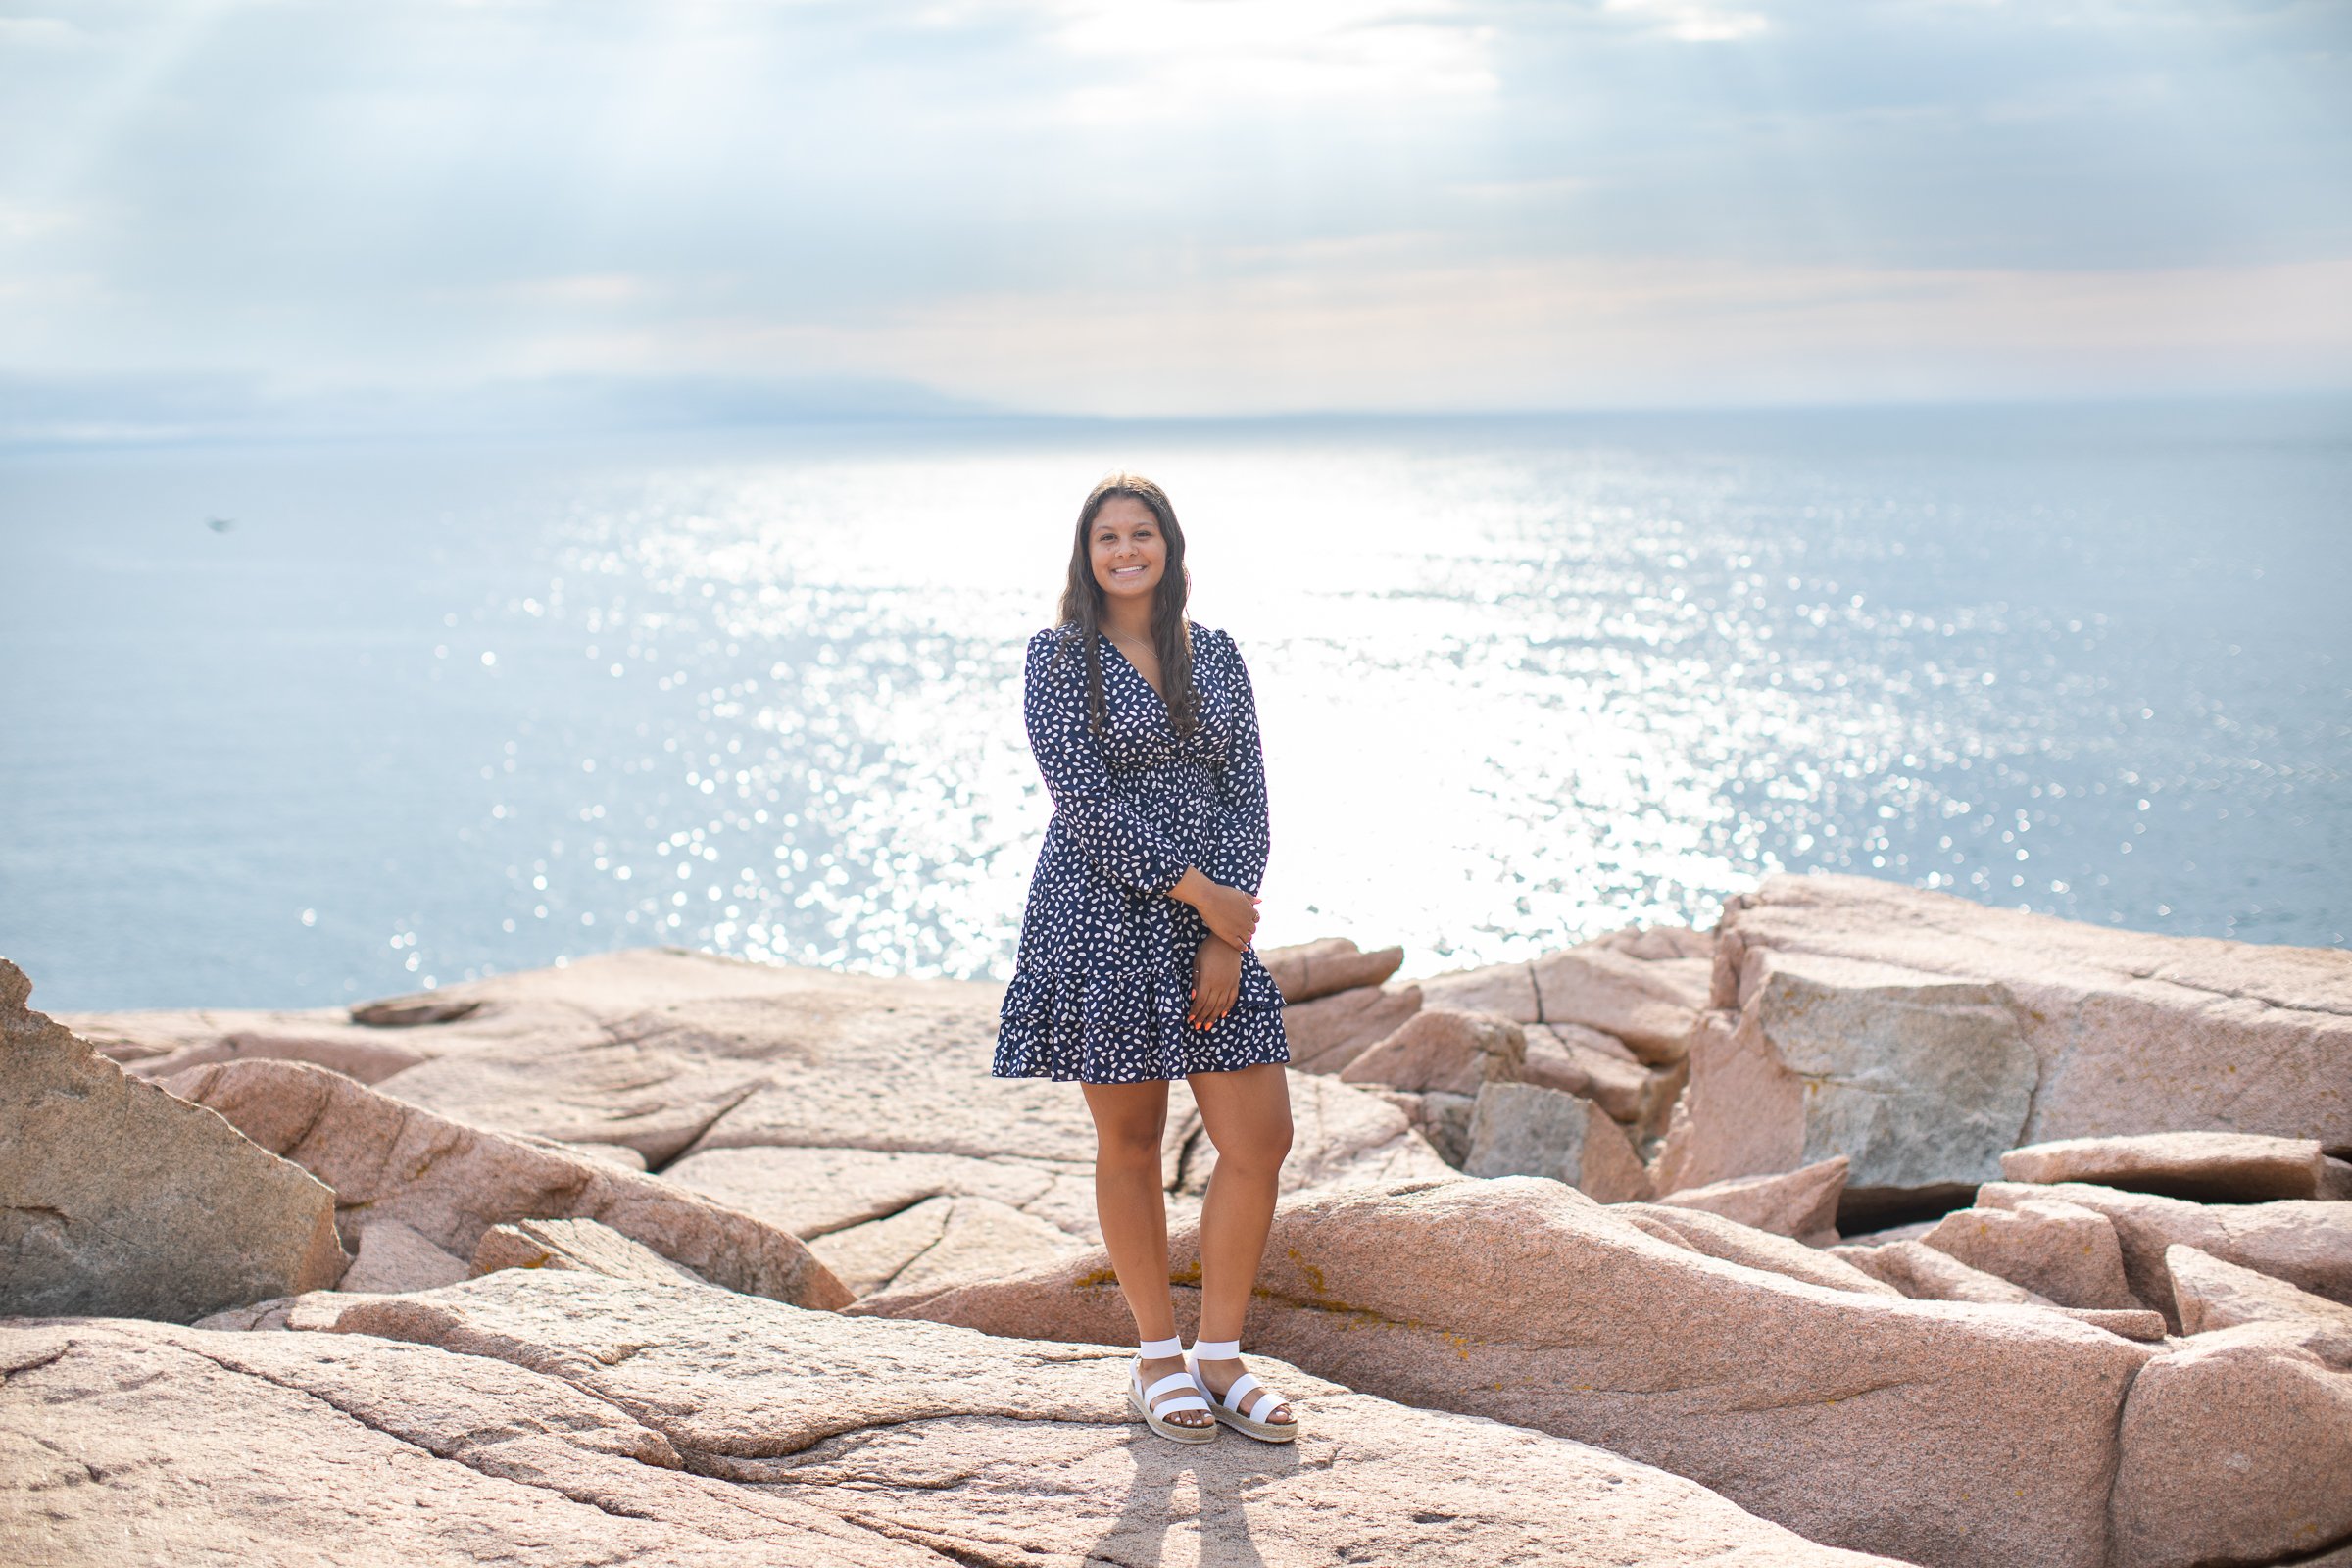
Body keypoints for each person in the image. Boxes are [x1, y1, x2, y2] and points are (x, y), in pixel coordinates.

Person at [994, 471, 1298, 1445]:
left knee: (1260, 1140)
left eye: (1142, 534)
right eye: (1107, 538)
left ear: (1169, 547)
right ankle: (1156, 1356)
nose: (1126, 551)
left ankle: (1221, 1355)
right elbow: (1080, 803)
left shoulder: (1216, 654)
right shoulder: (1058, 659)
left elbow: (1248, 793)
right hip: (1104, 917)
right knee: (1130, 1142)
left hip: (1214, 925)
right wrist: (1196, 889)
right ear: (1086, 557)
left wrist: (1222, 928)